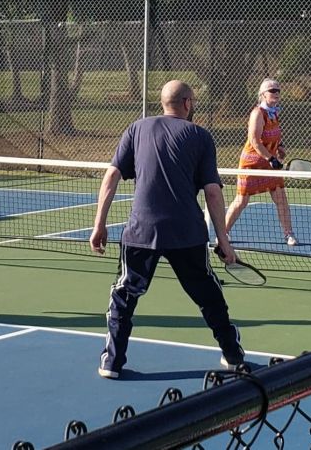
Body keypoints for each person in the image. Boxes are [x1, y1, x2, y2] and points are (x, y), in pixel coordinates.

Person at [90, 80, 243, 378]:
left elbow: (111, 177)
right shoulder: (200, 136)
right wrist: (223, 239)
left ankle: (111, 363)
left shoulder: (136, 129)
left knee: (124, 294)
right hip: (187, 234)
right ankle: (233, 355)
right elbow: (213, 192)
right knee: (208, 295)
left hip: (140, 232)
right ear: (187, 103)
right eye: (194, 101)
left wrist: (99, 225)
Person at [224, 78, 298, 246]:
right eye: (272, 90)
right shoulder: (258, 113)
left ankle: (289, 234)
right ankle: (223, 233)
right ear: (263, 94)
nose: (276, 93)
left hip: (270, 162)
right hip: (251, 162)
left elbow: (275, 134)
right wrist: (270, 158)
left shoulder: (275, 112)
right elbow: (254, 140)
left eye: (278, 90)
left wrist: (280, 147)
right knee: (241, 201)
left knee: (281, 198)